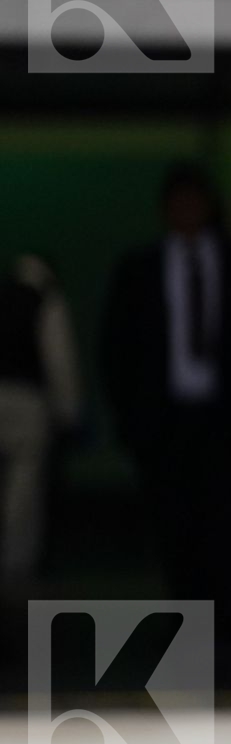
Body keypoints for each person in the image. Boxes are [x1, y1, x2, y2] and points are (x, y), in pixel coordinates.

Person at [101, 164, 231, 629]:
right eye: (178, 203)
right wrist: (128, 417)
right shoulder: (139, 268)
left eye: (195, 202)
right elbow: (117, 347)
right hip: (163, 418)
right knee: (173, 523)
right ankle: (182, 619)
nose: (187, 212)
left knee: (226, 520)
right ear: (164, 211)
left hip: (222, 417)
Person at [0, 254, 81, 595]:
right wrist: (69, 412)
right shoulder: (44, 297)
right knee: (24, 494)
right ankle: (13, 570)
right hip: (28, 404)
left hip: (22, 400)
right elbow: (58, 356)